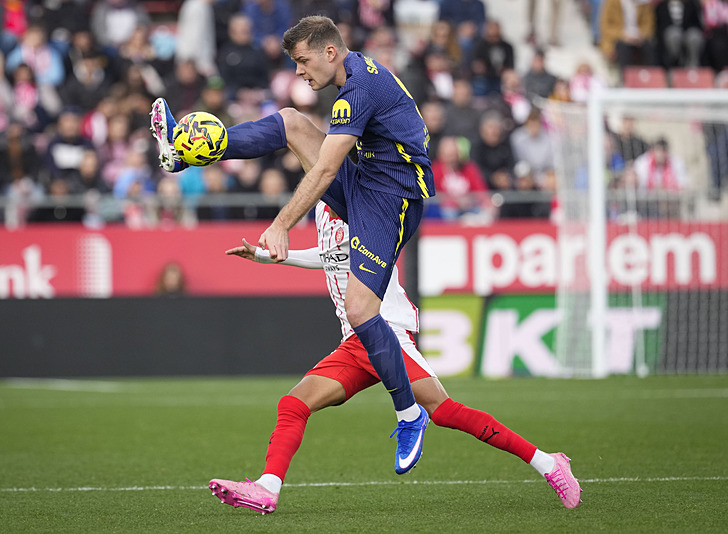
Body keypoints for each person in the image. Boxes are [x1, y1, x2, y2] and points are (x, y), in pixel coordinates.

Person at [151, 16, 435, 477]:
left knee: (361, 311)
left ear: (329, 53)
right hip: (367, 185)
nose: (299, 72)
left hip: (393, 200)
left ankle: (409, 416)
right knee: (290, 122)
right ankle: (184, 151)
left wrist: (281, 225)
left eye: (302, 61)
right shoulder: (355, 76)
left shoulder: (358, 90)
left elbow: (323, 173)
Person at [207, 200, 582, 514]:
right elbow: (330, 256)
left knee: (445, 411)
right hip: (354, 341)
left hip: (385, 330)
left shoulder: (362, 200)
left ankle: (549, 463)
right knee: (293, 403)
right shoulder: (322, 206)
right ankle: (267, 488)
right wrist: (267, 257)